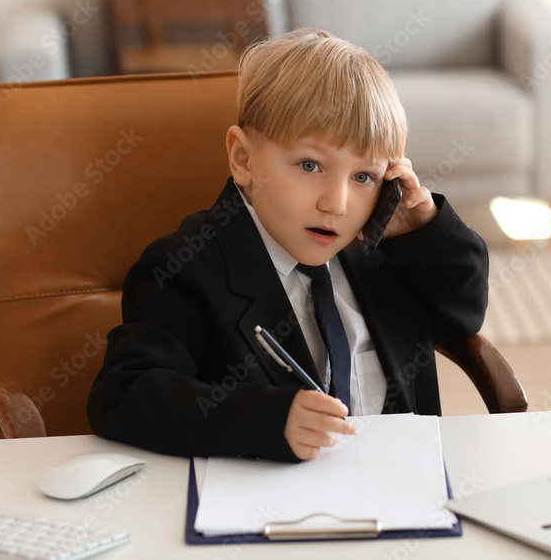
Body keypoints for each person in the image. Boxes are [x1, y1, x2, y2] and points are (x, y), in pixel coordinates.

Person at [87, 28, 488, 463]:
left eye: (363, 177)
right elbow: (124, 394)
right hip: (266, 507)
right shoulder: (186, 267)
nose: (336, 203)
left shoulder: (386, 253)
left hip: (400, 490)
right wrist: (264, 420)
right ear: (243, 159)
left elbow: (462, 316)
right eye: (310, 164)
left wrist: (424, 232)